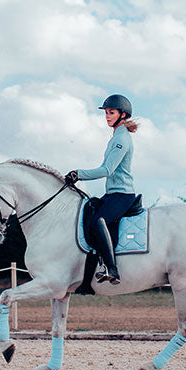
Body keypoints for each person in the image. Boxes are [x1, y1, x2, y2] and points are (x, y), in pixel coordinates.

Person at [65, 94, 138, 285]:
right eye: (106, 112)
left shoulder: (122, 138)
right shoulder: (116, 137)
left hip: (123, 194)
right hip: (113, 193)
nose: (107, 116)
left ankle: (112, 269)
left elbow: (107, 170)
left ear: (122, 115)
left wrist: (78, 173)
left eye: (111, 112)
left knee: (99, 219)